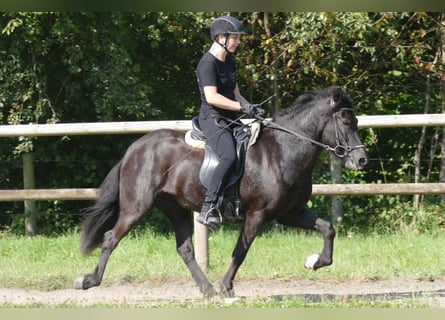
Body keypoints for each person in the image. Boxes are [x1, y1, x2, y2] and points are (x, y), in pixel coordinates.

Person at [195, 15, 265, 231]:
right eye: (235, 38)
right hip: (212, 118)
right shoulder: (207, 64)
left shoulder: (230, 61)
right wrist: (242, 108)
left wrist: (251, 107)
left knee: (251, 147)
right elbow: (213, 97)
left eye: (238, 38)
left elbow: (235, 94)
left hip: (231, 118)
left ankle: (234, 200)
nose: (238, 42)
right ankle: (208, 207)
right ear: (220, 37)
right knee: (228, 155)